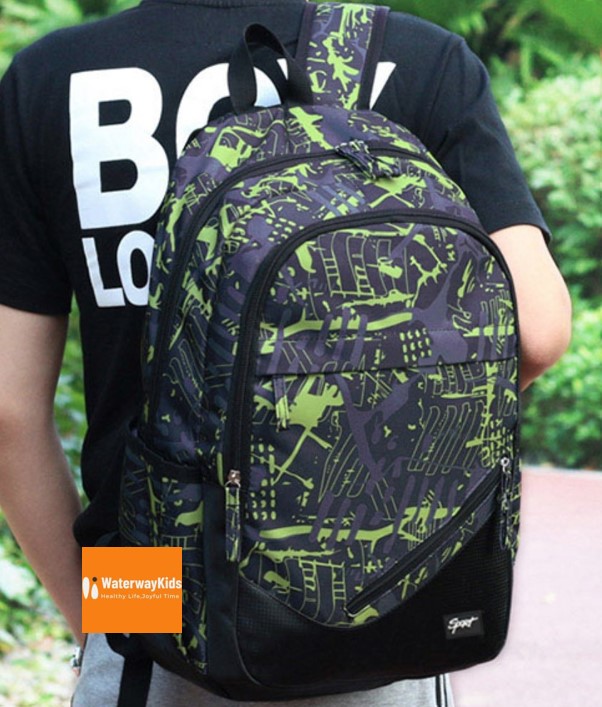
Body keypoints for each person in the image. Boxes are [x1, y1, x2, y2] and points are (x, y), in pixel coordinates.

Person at [0, 0, 571, 705]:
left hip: (157, 636)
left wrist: (111, 623)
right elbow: (538, 329)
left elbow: (10, 415)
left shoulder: (54, 78)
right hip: (389, 617)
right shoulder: (419, 61)